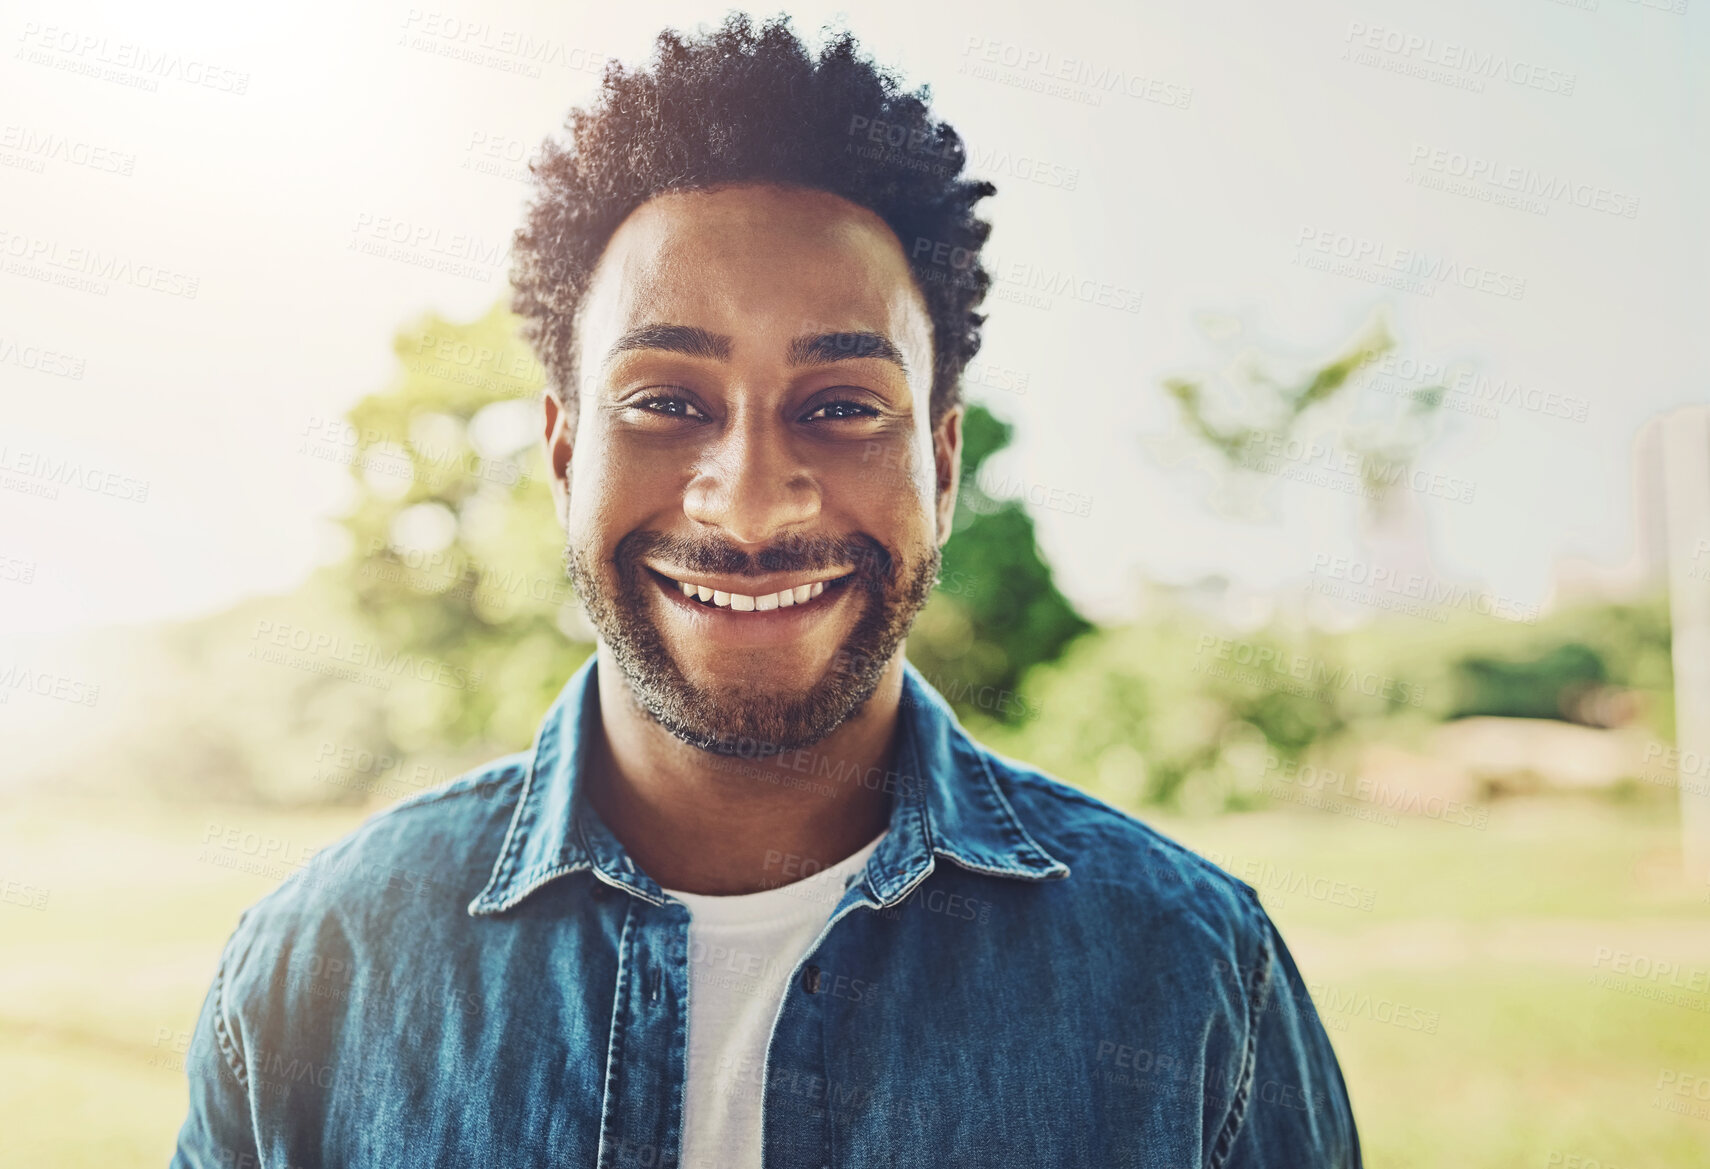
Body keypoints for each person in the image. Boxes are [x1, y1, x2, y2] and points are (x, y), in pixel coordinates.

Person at [173, 14, 1360, 1167]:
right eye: (666, 402)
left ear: (940, 470)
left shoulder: (1192, 975)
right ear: (565, 455)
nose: (748, 505)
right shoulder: (310, 976)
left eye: (842, 406)